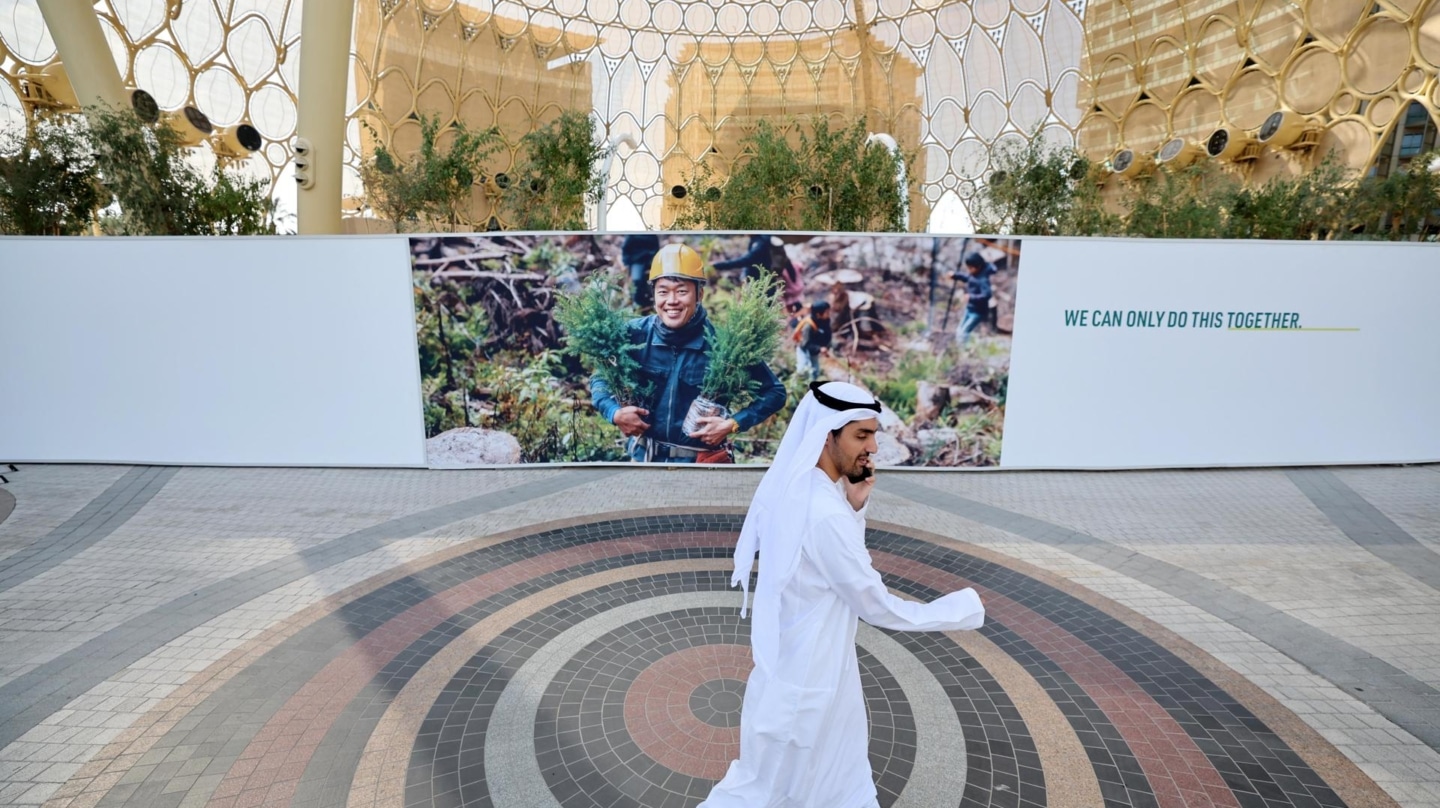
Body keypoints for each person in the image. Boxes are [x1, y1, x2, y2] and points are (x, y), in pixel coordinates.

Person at [701, 381, 986, 808]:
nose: (872, 446)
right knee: (770, 795)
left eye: (873, 433)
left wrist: (856, 506)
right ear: (826, 434)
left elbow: (830, 571)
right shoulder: (825, 514)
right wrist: (962, 609)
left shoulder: (801, 492)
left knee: (804, 788)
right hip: (808, 690)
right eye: (861, 435)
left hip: (799, 674)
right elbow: (876, 604)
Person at [590, 243, 787, 463]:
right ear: (654, 294)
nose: (671, 301)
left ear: (699, 294)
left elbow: (775, 392)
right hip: (644, 458)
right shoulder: (633, 335)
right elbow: (600, 377)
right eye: (663, 291)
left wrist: (732, 424)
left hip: (700, 464)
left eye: (682, 291)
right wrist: (614, 413)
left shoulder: (725, 345)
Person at [954, 251, 997, 346]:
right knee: (959, 330)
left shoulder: (983, 280)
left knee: (964, 332)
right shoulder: (974, 274)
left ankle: (963, 352)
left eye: (970, 268)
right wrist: (955, 275)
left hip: (978, 311)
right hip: (970, 308)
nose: (969, 270)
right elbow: (966, 277)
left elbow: (987, 295)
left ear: (978, 267)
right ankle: (959, 349)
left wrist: (971, 297)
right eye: (968, 268)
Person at [791, 299, 832, 382]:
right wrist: (819, 348)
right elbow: (805, 344)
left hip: (814, 350)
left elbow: (828, 335)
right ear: (818, 314)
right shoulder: (808, 326)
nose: (829, 314)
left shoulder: (825, 321)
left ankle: (812, 386)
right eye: (826, 312)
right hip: (804, 349)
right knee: (802, 369)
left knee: (815, 370)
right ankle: (797, 385)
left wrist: (826, 347)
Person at [620, 233, 660, 308]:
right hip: (637, 261)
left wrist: (654, 258)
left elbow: (656, 247)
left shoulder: (651, 234)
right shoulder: (632, 235)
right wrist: (626, 263)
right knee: (636, 280)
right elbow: (626, 249)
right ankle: (637, 302)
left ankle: (655, 300)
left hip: (650, 260)